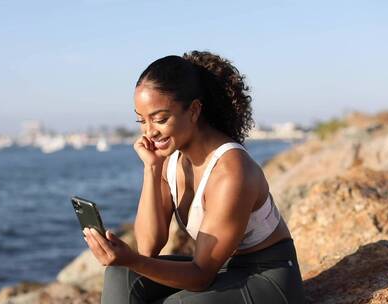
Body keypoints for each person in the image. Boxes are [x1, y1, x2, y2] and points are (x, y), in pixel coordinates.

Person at [82, 51, 306, 303]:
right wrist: (152, 170)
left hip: (267, 276)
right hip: (222, 269)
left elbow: (200, 275)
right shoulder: (169, 159)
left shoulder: (231, 172)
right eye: (141, 120)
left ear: (194, 110)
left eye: (160, 119)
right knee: (121, 274)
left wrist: (132, 259)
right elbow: (148, 247)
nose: (149, 132)